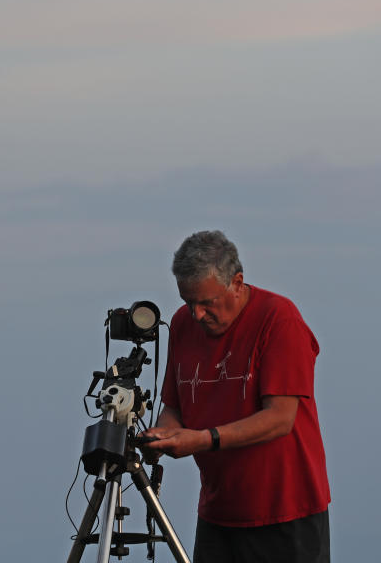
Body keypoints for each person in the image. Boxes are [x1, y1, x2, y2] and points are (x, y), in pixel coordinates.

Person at [143, 230, 330, 563]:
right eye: (189, 302)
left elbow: (279, 419)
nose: (197, 314)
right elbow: (174, 407)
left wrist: (202, 440)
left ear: (237, 283)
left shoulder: (279, 319)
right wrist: (161, 435)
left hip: (286, 512)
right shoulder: (183, 325)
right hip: (219, 512)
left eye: (207, 302)